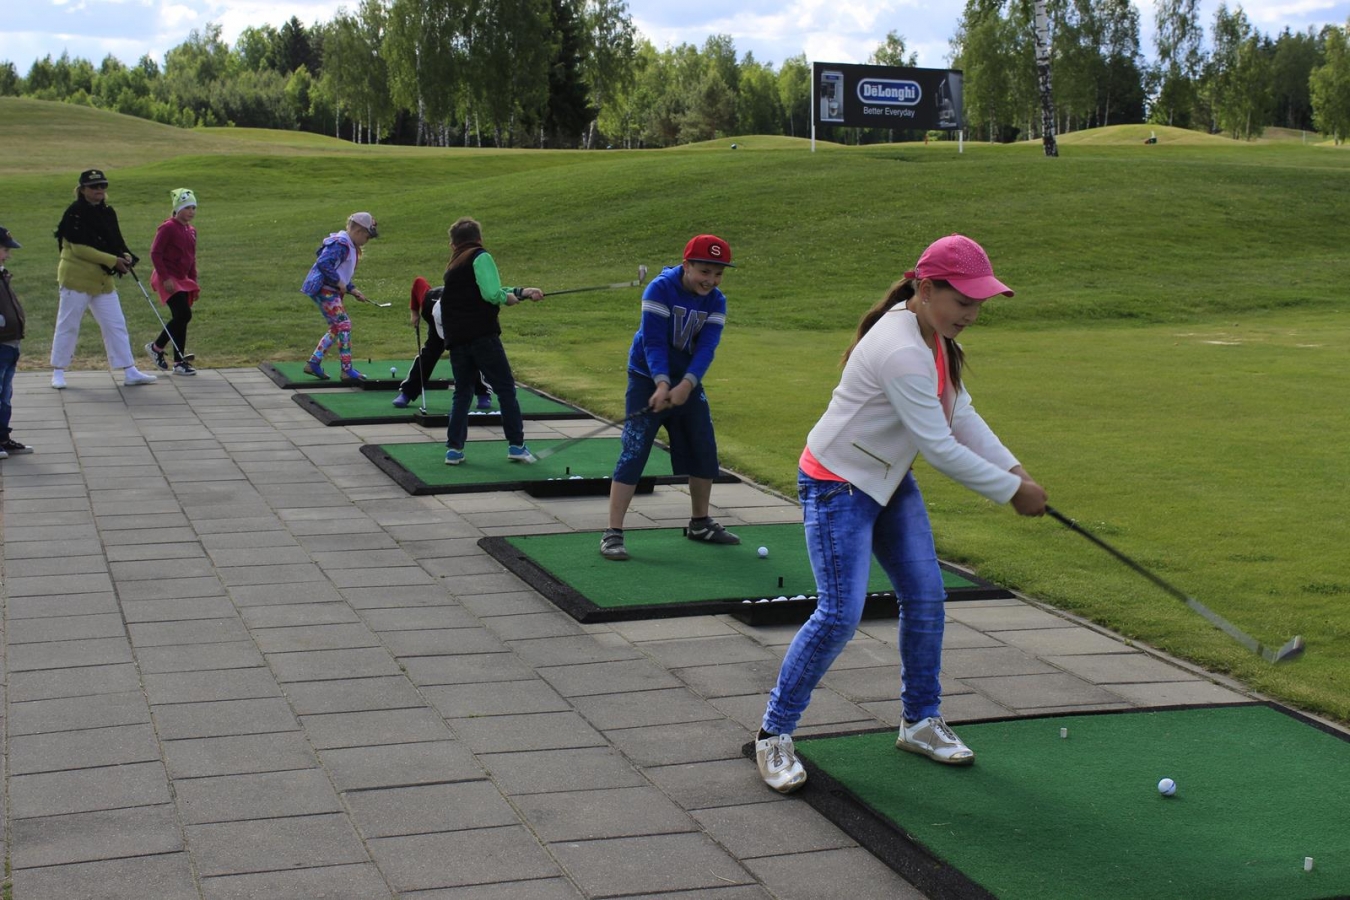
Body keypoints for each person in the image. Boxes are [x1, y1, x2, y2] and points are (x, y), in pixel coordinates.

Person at [754, 234, 1048, 794]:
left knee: (928, 596)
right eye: (963, 301)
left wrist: (1018, 472)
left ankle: (919, 721)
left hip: (887, 480)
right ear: (927, 288)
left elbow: (961, 415)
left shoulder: (935, 337)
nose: (972, 314)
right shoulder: (900, 348)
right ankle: (774, 734)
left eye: (979, 304)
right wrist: (1011, 492)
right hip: (836, 484)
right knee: (840, 615)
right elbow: (939, 447)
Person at [600, 234, 738, 561]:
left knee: (703, 448)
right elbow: (653, 342)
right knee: (634, 450)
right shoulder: (659, 289)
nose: (711, 280)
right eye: (704, 271)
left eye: (718, 273)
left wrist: (687, 384)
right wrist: (662, 383)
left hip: (687, 381)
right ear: (686, 265)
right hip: (645, 378)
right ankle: (613, 532)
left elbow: (706, 348)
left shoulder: (716, 301)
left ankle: (700, 523)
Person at [436, 217, 543, 465]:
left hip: (457, 340)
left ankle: (454, 449)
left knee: (462, 393)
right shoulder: (480, 256)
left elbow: (485, 289)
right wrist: (508, 299)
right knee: (505, 389)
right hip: (482, 337)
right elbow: (491, 293)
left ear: (453, 244)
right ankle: (516, 445)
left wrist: (522, 292)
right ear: (479, 239)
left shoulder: (453, 266)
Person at [50, 169, 160, 389]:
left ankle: (129, 370)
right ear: (82, 189)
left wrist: (125, 255)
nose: (99, 190)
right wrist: (113, 260)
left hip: (103, 281)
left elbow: (116, 241)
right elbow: (79, 248)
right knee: (68, 325)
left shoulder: (108, 212)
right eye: (94, 187)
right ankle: (58, 371)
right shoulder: (74, 213)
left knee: (116, 324)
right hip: (76, 279)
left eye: (102, 186)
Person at [393, 276, 493, 411]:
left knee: (469, 357)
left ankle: (483, 393)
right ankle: (407, 393)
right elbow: (418, 282)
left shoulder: (468, 309)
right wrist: (414, 311)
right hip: (438, 326)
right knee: (428, 356)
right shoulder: (429, 301)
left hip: (463, 328)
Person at [301, 212, 377, 382]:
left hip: (328, 289)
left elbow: (340, 272)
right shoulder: (341, 244)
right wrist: (338, 282)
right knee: (344, 324)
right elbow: (323, 263)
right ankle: (346, 370)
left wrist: (353, 289)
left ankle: (314, 363)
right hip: (324, 289)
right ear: (358, 231)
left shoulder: (348, 245)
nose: (367, 240)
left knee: (337, 326)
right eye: (367, 236)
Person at [145, 188, 200, 376]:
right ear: (177, 209)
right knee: (183, 314)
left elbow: (191, 258)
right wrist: (165, 277)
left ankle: (179, 362)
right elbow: (155, 253)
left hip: (182, 279)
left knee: (181, 318)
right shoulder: (168, 227)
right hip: (167, 277)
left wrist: (193, 282)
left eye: (193, 208)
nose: (191, 211)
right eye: (187, 208)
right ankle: (156, 347)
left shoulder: (191, 231)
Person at [0, 225, 34, 458]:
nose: (8, 255)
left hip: (11, 344)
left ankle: (3, 437)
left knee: (5, 395)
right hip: (2, 343)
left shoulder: (3, 275)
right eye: (5, 250)